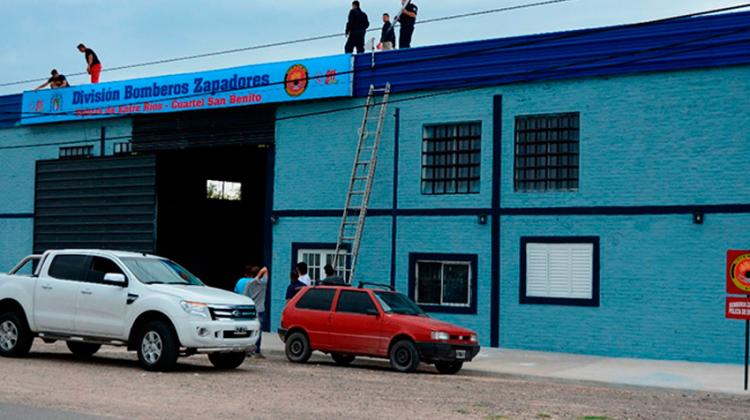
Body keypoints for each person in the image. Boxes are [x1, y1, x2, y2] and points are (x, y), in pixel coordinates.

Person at [243, 266, 268, 358]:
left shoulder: (249, 283)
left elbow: (245, 296)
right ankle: (256, 351)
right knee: (259, 331)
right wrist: (259, 276)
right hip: (260, 309)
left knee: (249, 330)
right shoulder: (263, 283)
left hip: (251, 309)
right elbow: (265, 269)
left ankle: (248, 350)